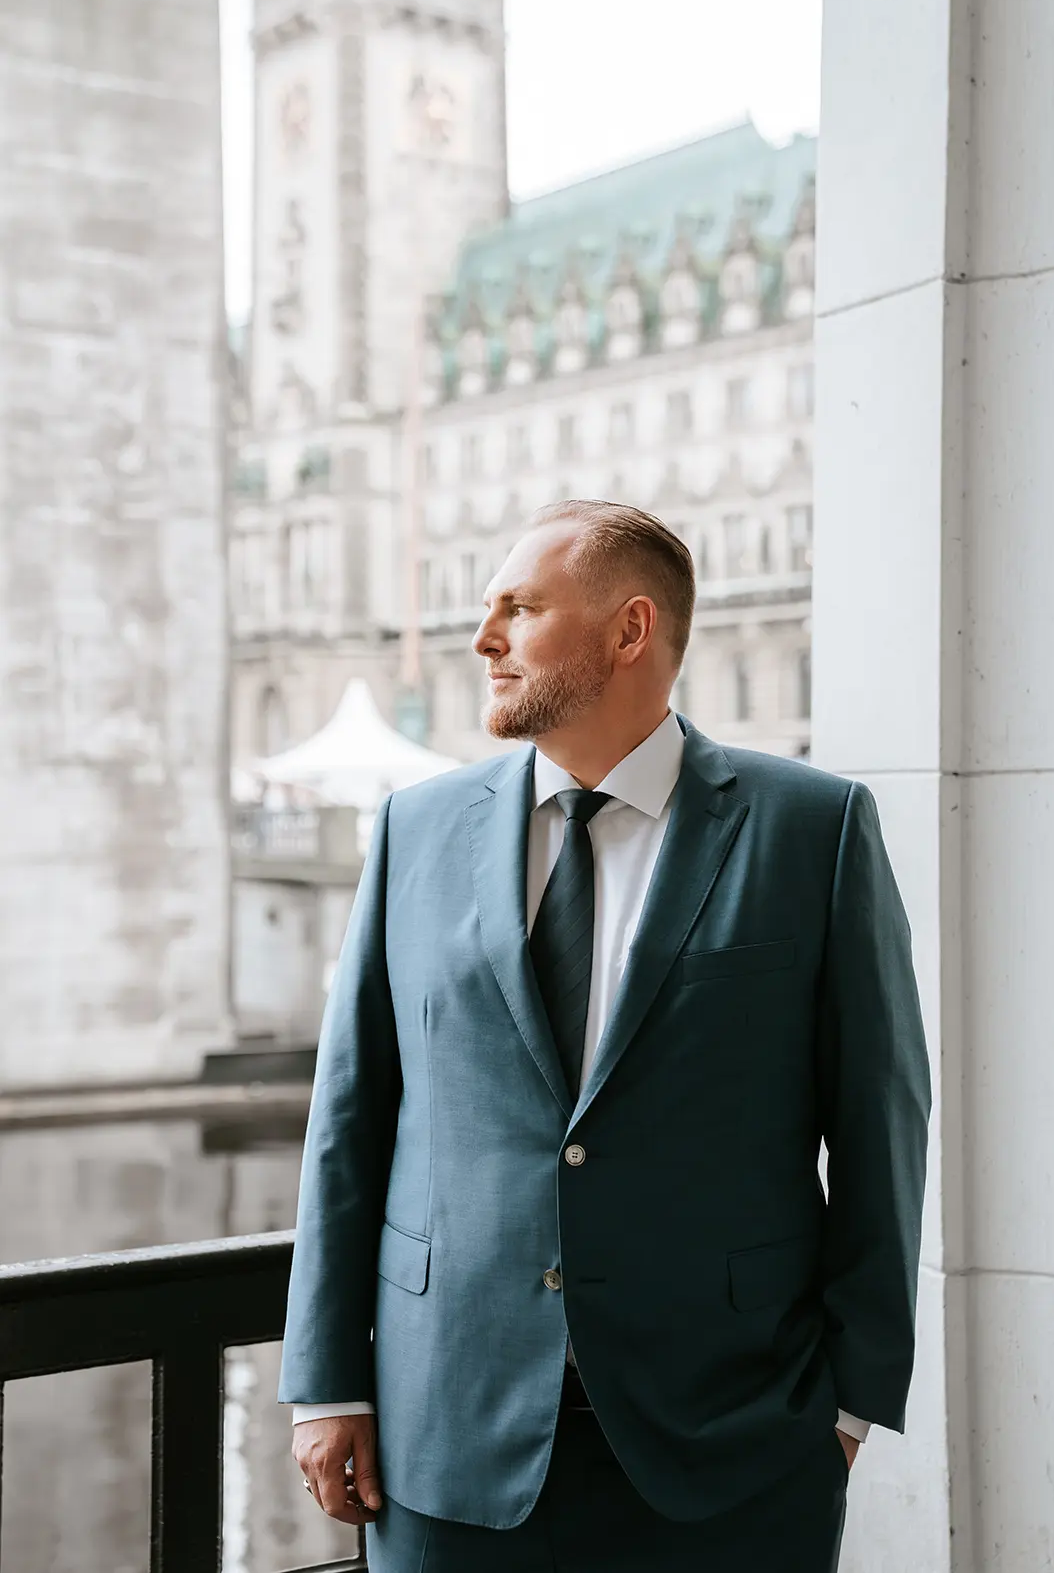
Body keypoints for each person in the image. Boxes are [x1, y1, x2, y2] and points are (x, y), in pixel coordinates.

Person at [281, 500, 931, 1572]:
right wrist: (327, 1381)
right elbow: (351, 1118)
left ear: (631, 631)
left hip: (732, 1440)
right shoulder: (415, 829)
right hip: (443, 1429)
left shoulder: (814, 830)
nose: (483, 638)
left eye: (520, 609)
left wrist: (849, 1410)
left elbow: (880, 1128)